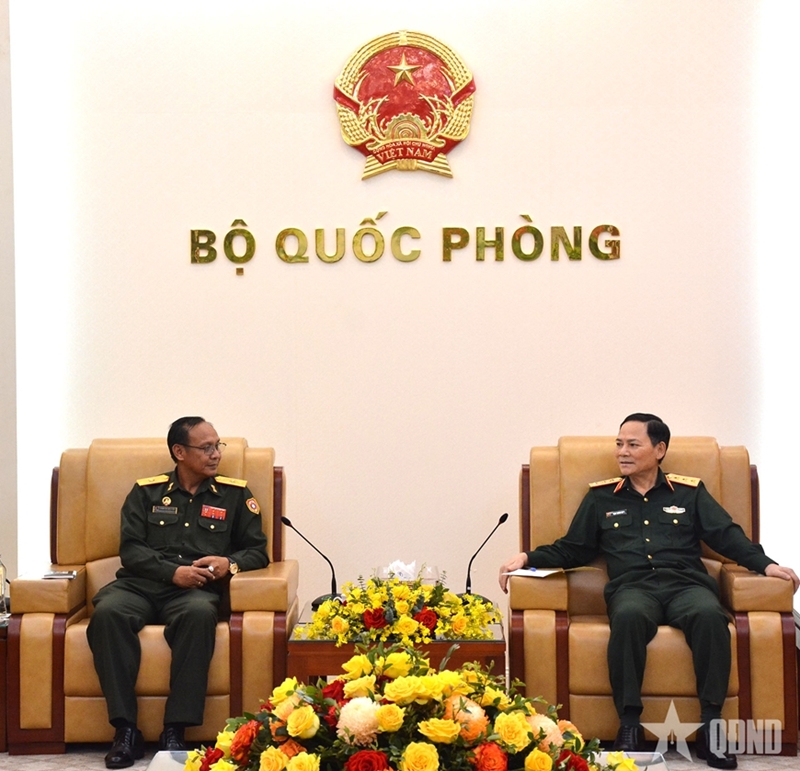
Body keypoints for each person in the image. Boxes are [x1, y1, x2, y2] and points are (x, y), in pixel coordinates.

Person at [498, 413, 798, 770]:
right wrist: (527, 558)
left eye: (632, 444)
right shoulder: (601, 498)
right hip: (633, 587)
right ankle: (629, 725)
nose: (622, 452)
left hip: (686, 584)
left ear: (659, 450)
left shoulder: (689, 493)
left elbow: (726, 536)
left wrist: (766, 565)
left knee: (709, 616)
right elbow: (572, 548)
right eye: (619, 444)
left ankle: (712, 727)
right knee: (627, 617)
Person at [87, 417, 269, 768]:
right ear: (179, 452)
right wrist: (173, 572)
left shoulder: (235, 495)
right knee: (108, 613)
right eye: (206, 447)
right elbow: (131, 551)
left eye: (218, 445)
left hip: (195, 591)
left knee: (199, 615)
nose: (216, 454)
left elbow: (258, 552)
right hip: (140, 585)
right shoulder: (146, 492)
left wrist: (228, 563)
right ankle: (125, 730)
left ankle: (175, 730)